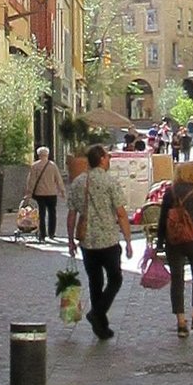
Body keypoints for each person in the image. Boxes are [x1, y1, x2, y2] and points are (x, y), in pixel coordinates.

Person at [66, 142, 133, 340]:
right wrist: (128, 240)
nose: (109, 159)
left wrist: (70, 240)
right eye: (107, 156)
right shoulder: (110, 182)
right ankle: (97, 315)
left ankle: (101, 327)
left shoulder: (79, 182)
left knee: (95, 282)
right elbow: (121, 214)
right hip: (109, 239)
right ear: (101, 159)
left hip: (87, 241)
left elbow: (71, 215)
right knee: (116, 279)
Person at [158, 160, 193, 336]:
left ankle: (181, 322)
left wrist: (159, 242)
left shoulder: (170, 192)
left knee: (177, 280)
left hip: (174, 241)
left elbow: (162, 219)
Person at [26, 144, 64, 242]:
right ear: (47, 154)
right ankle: (52, 233)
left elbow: (31, 181)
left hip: (39, 194)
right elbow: (58, 179)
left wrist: (29, 193)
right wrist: (62, 191)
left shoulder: (35, 166)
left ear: (38, 155)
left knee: (41, 214)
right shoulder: (53, 166)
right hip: (51, 193)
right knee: (52, 213)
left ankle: (42, 234)